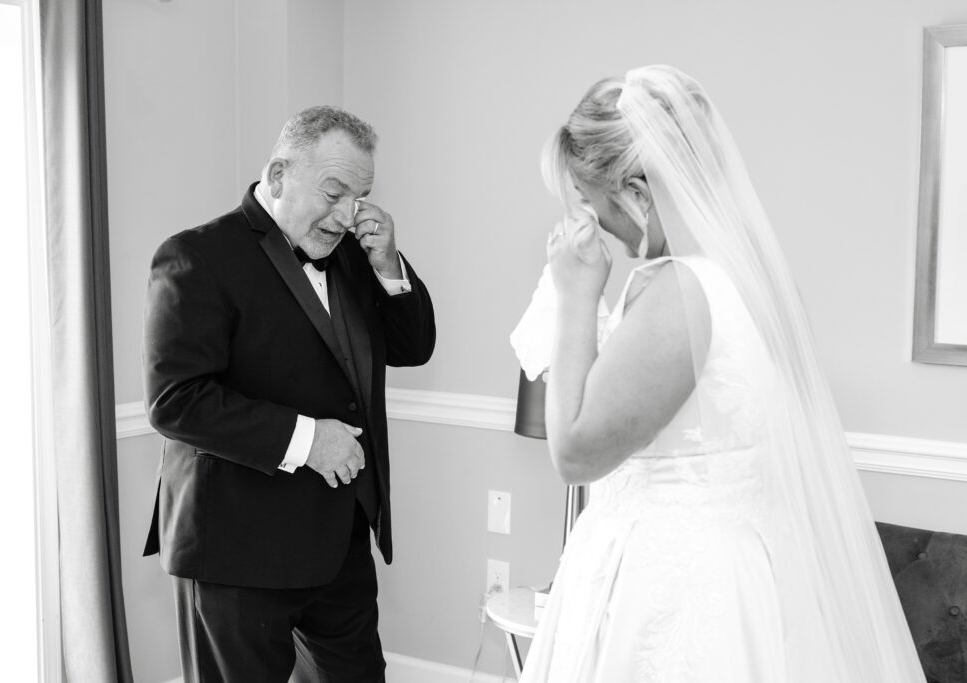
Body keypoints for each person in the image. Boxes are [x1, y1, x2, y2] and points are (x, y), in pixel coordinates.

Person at [517, 66, 924, 682]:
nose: (597, 224)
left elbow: (574, 453)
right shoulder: (758, 281)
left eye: (592, 202)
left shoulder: (676, 290)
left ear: (636, 191)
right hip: (751, 574)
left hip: (671, 593)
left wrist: (576, 295)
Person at [142, 105, 435, 682]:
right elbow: (176, 399)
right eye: (333, 191)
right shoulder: (195, 256)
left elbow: (413, 346)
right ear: (278, 177)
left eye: (360, 195)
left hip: (338, 539)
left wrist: (388, 263)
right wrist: (308, 440)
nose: (347, 213)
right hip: (236, 548)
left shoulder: (355, 254)